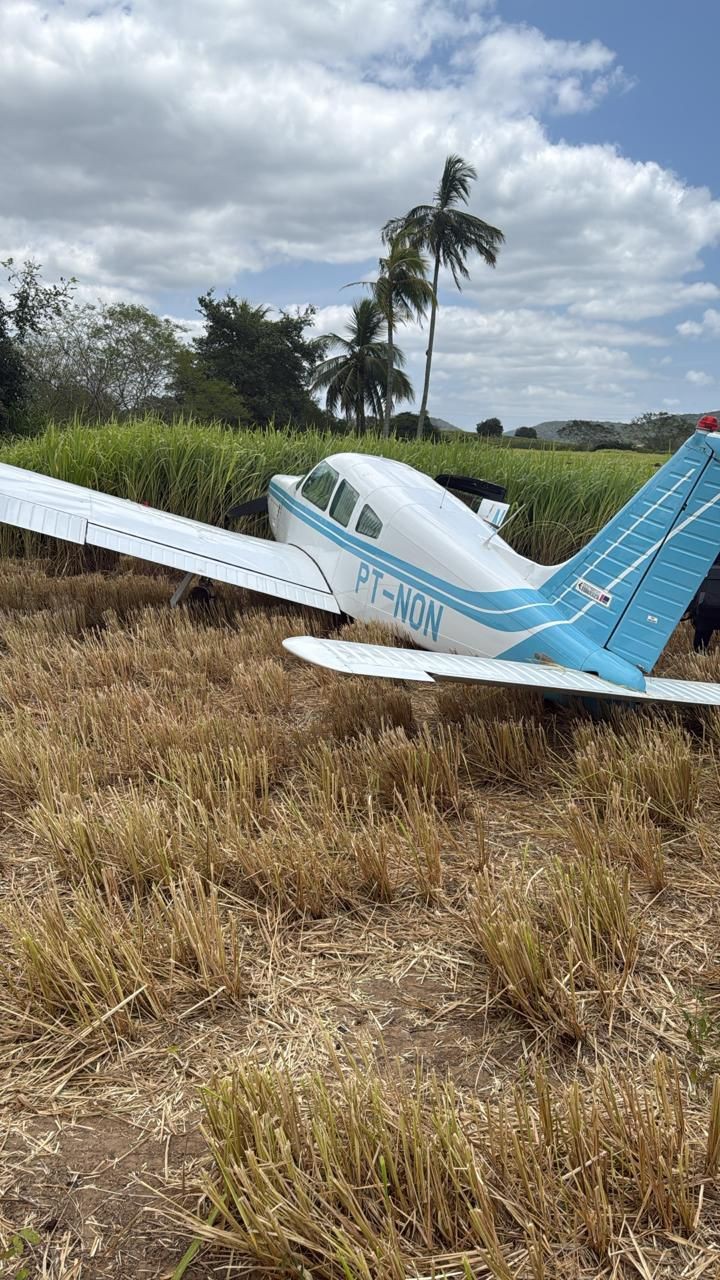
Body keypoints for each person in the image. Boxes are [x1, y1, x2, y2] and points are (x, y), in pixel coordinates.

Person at [687, 554, 720, 651]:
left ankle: (700, 652)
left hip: (705, 613)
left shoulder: (703, 566)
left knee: (700, 646)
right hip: (707, 611)